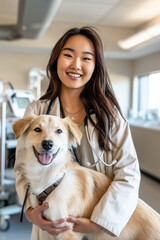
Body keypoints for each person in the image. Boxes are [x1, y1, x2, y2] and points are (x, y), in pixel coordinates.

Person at [14, 26, 141, 239]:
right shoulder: (36, 111)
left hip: (102, 228)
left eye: (86, 58)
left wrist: (100, 222)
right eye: (68, 55)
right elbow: (21, 168)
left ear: (95, 66)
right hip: (52, 223)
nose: (76, 65)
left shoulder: (112, 118)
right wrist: (30, 211)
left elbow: (128, 173)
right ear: (56, 60)